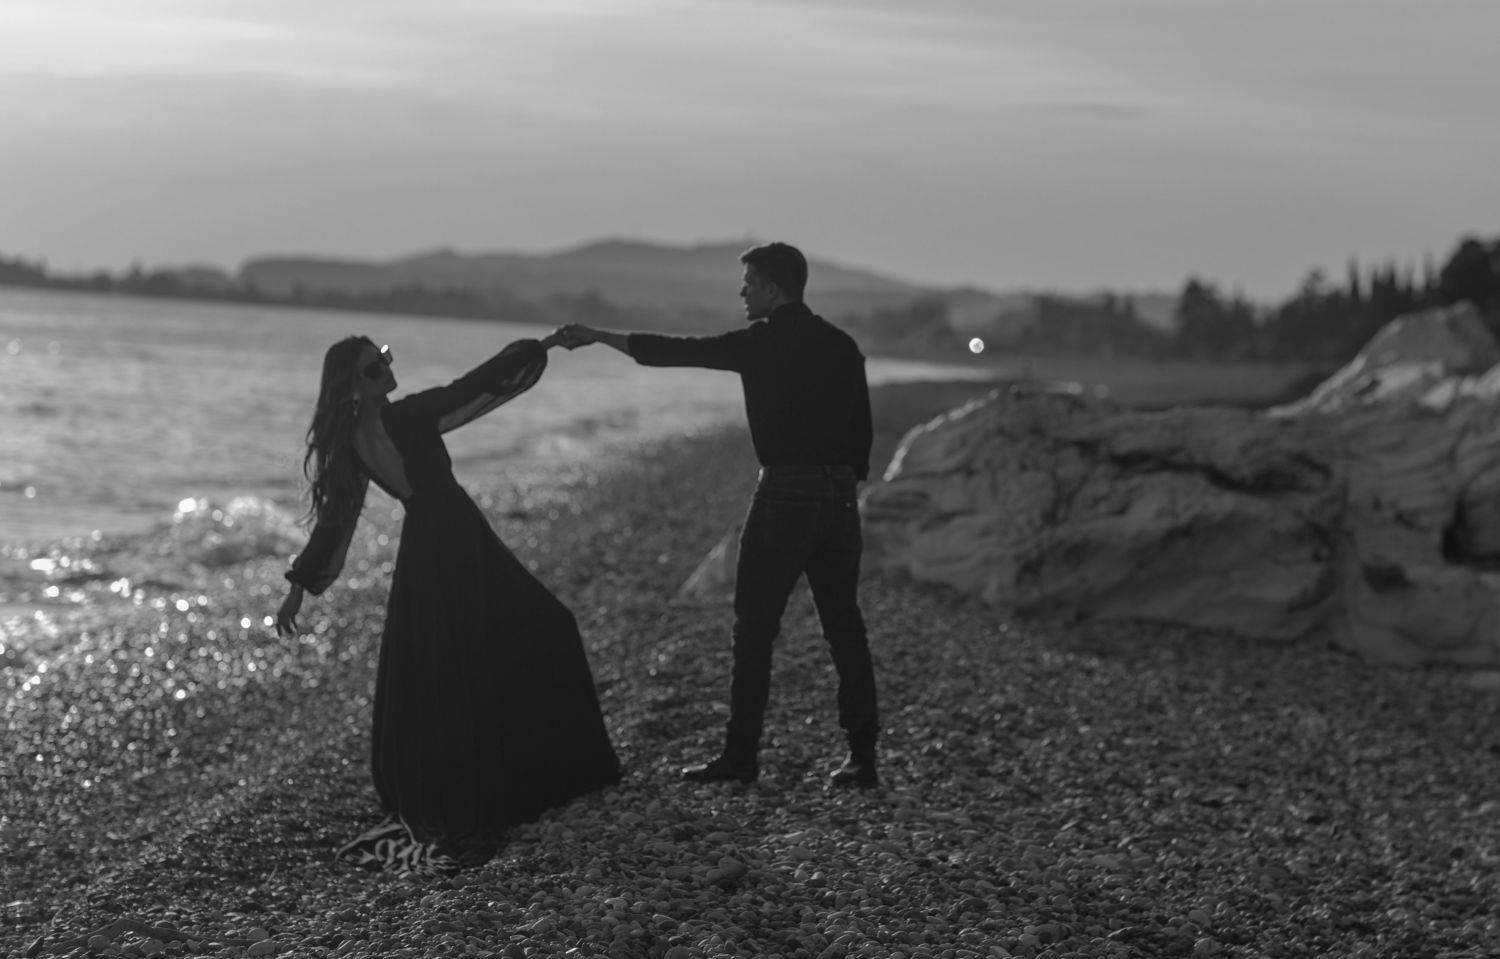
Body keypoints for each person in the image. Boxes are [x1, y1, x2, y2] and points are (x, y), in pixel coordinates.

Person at [274, 332, 620, 873]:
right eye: (373, 368)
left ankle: (493, 770)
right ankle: (538, 772)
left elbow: (336, 522)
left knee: (457, 656)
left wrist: (300, 584)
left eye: (384, 357)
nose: (386, 368)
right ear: (352, 385)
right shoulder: (406, 416)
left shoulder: (353, 441)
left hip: (426, 545)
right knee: (533, 629)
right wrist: (538, 348)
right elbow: (472, 387)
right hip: (455, 535)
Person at [558, 241, 880, 788]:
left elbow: (677, 351)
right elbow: (863, 435)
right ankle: (863, 759)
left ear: (773, 288)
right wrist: (842, 484)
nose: (742, 291)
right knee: (843, 626)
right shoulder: (842, 345)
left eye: (750, 283)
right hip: (840, 496)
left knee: (754, 630)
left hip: (786, 494)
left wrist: (598, 336)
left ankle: (741, 757)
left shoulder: (763, 342)